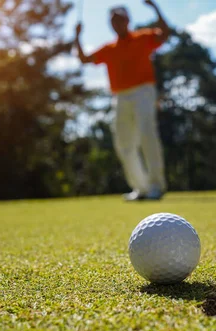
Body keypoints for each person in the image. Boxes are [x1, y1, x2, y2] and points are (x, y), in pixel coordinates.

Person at [74, 0, 170, 201]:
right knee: (124, 144)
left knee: (147, 135)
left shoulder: (143, 38)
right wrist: (77, 37)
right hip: (121, 96)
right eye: (113, 21)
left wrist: (155, 8)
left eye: (120, 19)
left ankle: (156, 186)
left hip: (144, 91)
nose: (117, 23)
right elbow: (84, 59)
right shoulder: (108, 49)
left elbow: (165, 34)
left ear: (128, 21)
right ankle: (141, 188)